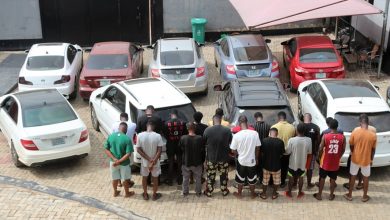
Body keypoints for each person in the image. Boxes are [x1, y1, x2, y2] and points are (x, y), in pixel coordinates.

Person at [344, 114, 376, 202]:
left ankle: (350, 195)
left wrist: (354, 152)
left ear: (360, 123)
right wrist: (371, 159)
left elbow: (351, 145)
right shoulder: (373, 135)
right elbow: (373, 150)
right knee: (366, 178)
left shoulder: (355, 132)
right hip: (366, 160)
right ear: (368, 123)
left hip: (355, 159)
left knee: (353, 176)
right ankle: (364, 196)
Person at [314, 119, 345, 201]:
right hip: (335, 162)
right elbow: (343, 149)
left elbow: (320, 148)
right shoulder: (342, 137)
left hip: (325, 162)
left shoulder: (325, 136)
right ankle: (331, 195)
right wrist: (338, 156)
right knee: (333, 179)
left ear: (329, 126)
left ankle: (319, 195)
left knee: (322, 178)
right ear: (337, 127)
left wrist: (320, 157)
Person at [230, 115, 260, 199]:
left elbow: (232, 150)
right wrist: (257, 158)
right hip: (252, 161)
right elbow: (258, 147)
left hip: (241, 161)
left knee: (240, 178)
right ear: (247, 123)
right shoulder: (255, 133)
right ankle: (253, 194)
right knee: (252, 179)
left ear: (239, 124)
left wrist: (238, 154)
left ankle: (239, 194)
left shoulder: (237, 135)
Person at [203, 115, 233, 197]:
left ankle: (209, 191)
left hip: (211, 159)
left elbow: (204, 143)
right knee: (224, 175)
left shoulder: (207, 130)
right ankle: (224, 190)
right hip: (224, 158)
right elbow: (231, 142)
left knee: (210, 176)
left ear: (213, 121)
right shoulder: (227, 130)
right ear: (221, 121)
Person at [104, 122, 135, 198]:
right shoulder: (127, 139)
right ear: (126, 130)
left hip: (113, 162)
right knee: (125, 178)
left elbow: (106, 149)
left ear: (118, 128)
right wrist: (120, 161)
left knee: (114, 178)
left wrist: (115, 160)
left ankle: (115, 192)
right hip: (124, 163)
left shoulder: (111, 136)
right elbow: (128, 154)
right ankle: (127, 193)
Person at [137, 120, 163, 201]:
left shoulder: (140, 135)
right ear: (154, 127)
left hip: (145, 162)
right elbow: (159, 150)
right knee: (155, 178)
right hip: (155, 162)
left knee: (144, 178)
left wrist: (148, 159)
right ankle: (154, 195)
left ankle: (145, 194)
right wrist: (153, 160)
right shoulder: (158, 136)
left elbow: (138, 150)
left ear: (146, 126)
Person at [285, 123, 311, 199]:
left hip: (293, 164)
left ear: (296, 130)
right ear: (305, 131)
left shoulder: (292, 140)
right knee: (301, 178)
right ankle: (300, 192)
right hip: (303, 164)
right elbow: (309, 152)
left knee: (290, 178)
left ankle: (289, 193)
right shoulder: (309, 140)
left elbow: (287, 152)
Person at [179, 122, 205, 196]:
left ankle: (185, 192)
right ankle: (198, 192)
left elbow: (180, 149)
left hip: (186, 162)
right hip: (197, 162)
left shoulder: (183, 138)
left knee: (185, 178)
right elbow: (203, 150)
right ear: (195, 128)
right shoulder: (200, 138)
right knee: (198, 178)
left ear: (187, 128)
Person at [111, 112, 136, 187]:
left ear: (120, 118)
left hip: (117, 148)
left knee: (117, 166)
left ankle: (119, 182)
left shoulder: (114, 125)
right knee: (127, 166)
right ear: (128, 118)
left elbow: (113, 135)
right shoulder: (133, 125)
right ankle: (128, 181)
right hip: (128, 148)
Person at [259, 128, 285, 200]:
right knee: (276, 181)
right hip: (276, 165)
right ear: (277, 133)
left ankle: (264, 194)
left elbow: (262, 152)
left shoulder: (264, 141)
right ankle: (274, 194)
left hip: (266, 165)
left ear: (269, 133)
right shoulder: (280, 142)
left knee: (265, 181)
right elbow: (281, 154)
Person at [271, 111, 296, 188]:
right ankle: (282, 183)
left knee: (275, 167)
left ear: (278, 118)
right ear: (285, 118)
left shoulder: (274, 127)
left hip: (276, 152)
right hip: (287, 152)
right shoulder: (292, 127)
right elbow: (294, 138)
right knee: (284, 168)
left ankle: (274, 182)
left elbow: (271, 139)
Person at [163, 109, 187, 185]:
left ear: (171, 114)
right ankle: (180, 179)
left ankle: (170, 180)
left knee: (171, 162)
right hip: (179, 144)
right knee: (180, 161)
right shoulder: (183, 122)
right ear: (177, 114)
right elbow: (184, 134)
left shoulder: (166, 123)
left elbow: (165, 134)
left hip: (170, 144)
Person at [303, 113, 320, 188]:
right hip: (311, 152)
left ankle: (295, 183)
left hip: (301, 152)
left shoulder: (299, 126)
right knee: (310, 169)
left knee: (299, 168)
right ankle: (309, 184)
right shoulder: (316, 127)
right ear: (311, 118)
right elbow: (318, 140)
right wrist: (316, 150)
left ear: (304, 118)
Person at [253, 112, 271, 183]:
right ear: (262, 117)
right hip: (265, 148)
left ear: (255, 118)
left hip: (255, 148)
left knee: (256, 163)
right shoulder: (268, 125)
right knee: (263, 164)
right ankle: (262, 178)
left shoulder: (253, 126)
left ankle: (256, 177)